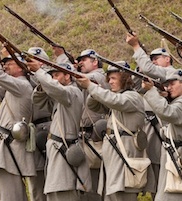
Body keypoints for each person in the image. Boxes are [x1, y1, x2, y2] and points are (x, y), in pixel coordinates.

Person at [76, 61, 152, 201]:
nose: (110, 82)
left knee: (122, 195)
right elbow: (92, 105)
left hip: (124, 154)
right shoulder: (116, 98)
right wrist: (95, 90)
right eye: (109, 78)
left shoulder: (132, 97)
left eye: (114, 78)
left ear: (125, 79)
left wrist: (91, 87)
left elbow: (116, 101)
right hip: (114, 155)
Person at [26, 60, 92, 201]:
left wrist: (39, 71)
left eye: (56, 75)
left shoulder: (72, 91)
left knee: (63, 192)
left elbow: (56, 89)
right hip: (57, 151)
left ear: (67, 76)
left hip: (63, 150)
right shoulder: (60, 96)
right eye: (52, 76)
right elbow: (37, 100)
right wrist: (44, 84)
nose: (54, 79)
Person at [0, 42, 35, 201]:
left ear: (21, 67)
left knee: (10, 197)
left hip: (9, 149)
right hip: (5, 148)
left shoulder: (22, 86)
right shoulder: (14, 88)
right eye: (3, 64)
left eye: (8, 63)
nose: (5, 67)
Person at [141, 69, 182, 201]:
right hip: (174, 152)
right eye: (167, 85)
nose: (169, 88)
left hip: (179, 153)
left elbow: (166, 112)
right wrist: (164, 97)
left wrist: (151, 91)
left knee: (175, 195)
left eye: (172, 84)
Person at [76, 49, 111, 201]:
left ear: (95, 61)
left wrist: (69, 70)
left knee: (96, 183)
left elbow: (84, 79)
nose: (80, 63)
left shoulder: (99, 76)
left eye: (84, 60)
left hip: (96, 137)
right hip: (86, 136)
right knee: (87, 182)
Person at [26, 47, 55, 201]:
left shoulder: (49, 77)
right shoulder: (24, 77)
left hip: (49, 128)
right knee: (36, 181)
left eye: (35, 59)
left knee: (54, 177)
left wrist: (37, 71)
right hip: (31, 132)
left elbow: (44, 84)